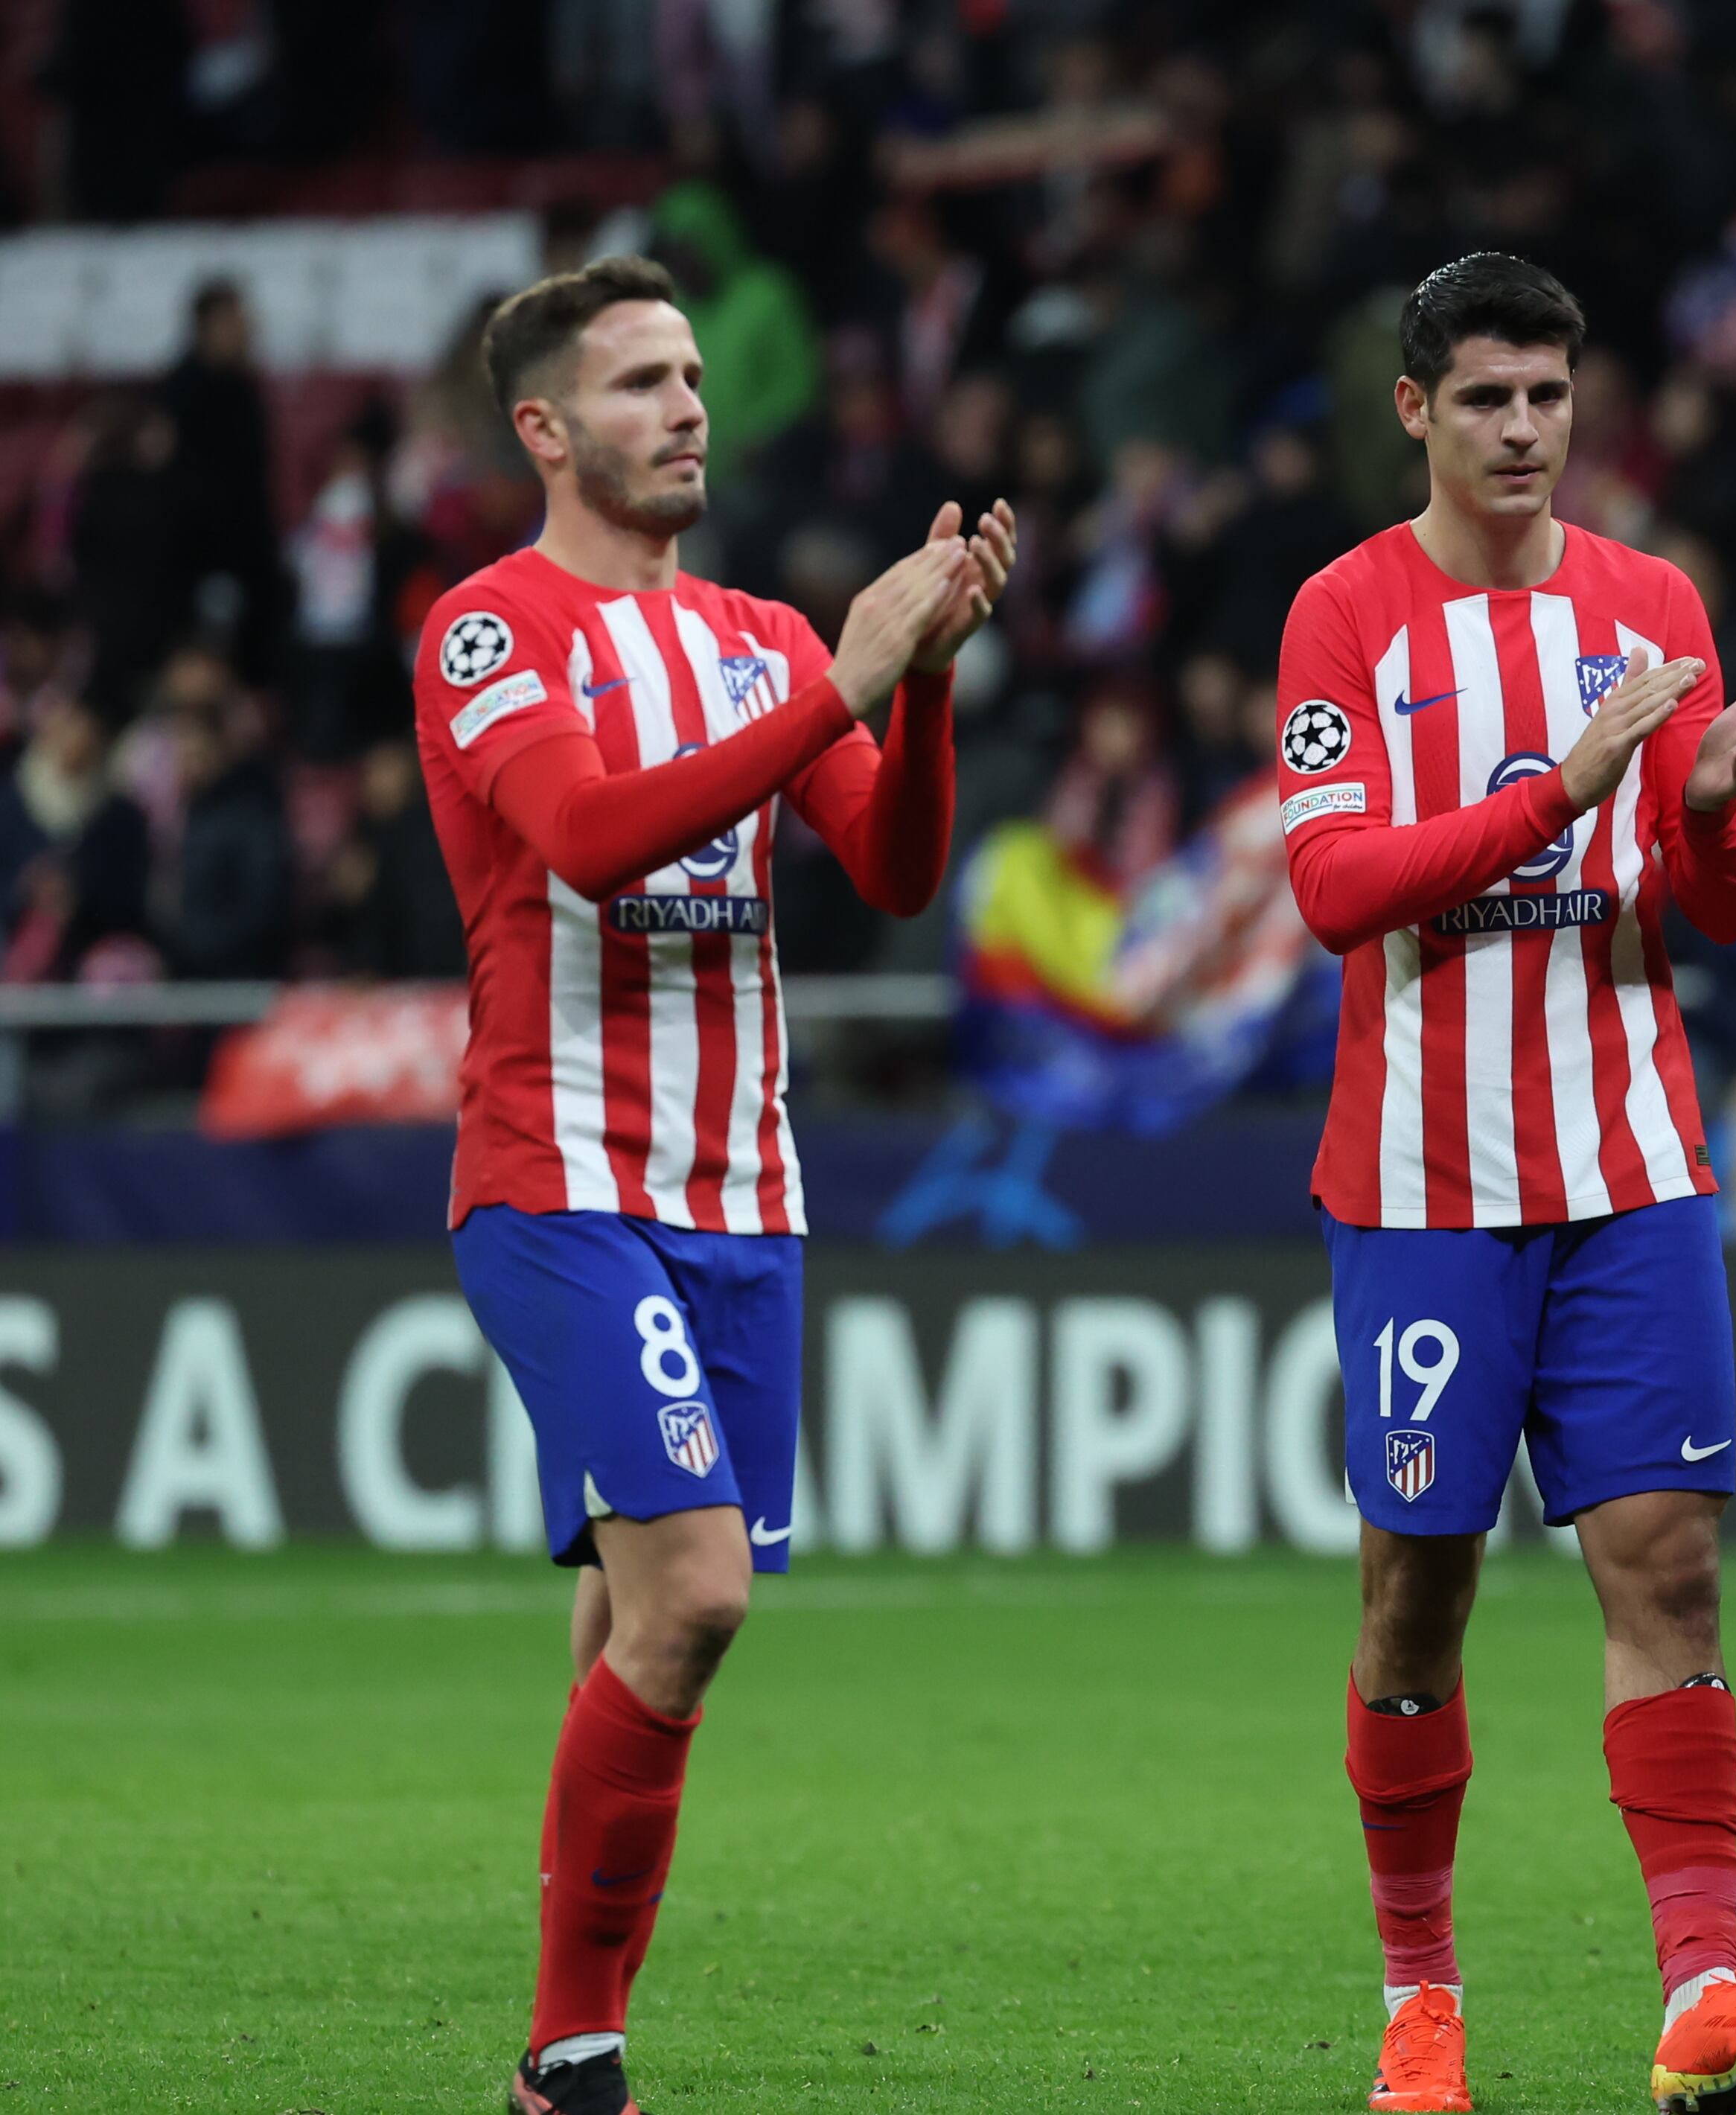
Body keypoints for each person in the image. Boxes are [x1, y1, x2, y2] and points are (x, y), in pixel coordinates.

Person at [412, 255, 1014, 2115]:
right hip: (558, 1182)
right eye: (638, 382)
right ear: (544, 428)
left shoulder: (755, 638)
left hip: (746, 1195)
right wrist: (848, 677)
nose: (686, 405)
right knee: (695, 1594)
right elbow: (592, 836)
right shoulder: (490, 632)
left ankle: (560, 2054)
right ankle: (575, 2052)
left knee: (640, 1621)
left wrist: (918, 691)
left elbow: (894, 869)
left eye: (689, 374)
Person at [1273, 252, 1736, 2115]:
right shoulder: (1344, 614)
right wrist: (1563, 786)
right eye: (1488, 398)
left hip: (1629, 1166)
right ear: (1415, 409)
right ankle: (1418, 1998)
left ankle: (1702, 1989)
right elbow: (1335, 888)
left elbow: (1721, 906)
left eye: (1549, 396)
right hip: (1424, 1186)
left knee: (1667, 1566)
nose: (1524, 429)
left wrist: (1714, 806)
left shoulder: (1649, 603)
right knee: (1414, 1599)